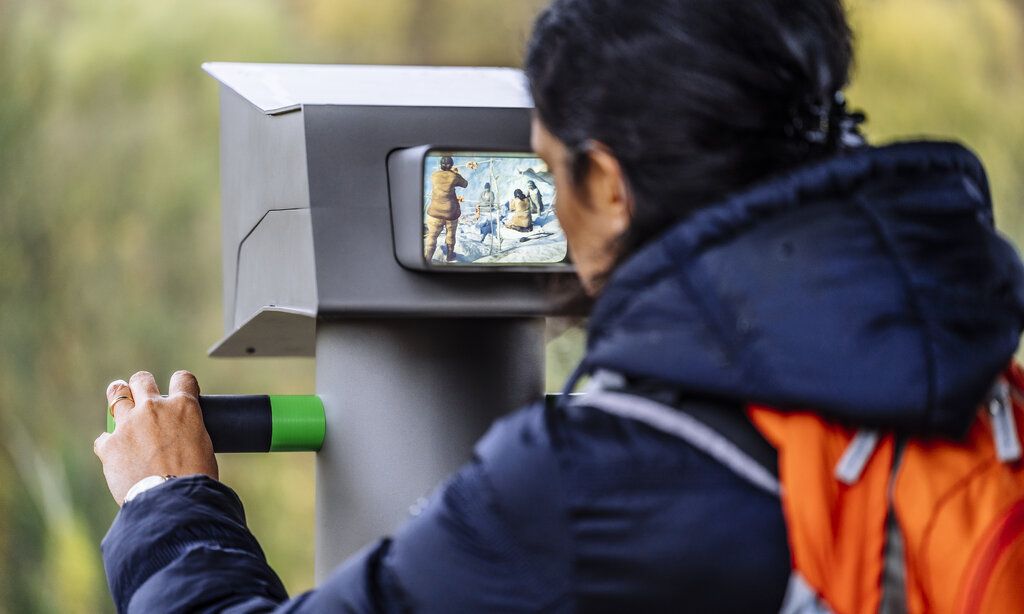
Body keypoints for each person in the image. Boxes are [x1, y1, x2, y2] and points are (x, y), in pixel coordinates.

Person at [95, 0, 1024, 612]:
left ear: (612, 186)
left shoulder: (603, 476)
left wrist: (164, 499)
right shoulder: (983, 379)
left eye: (546, 171)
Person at [423, 155, 468, 262]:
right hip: (450, 212)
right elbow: (465, 184)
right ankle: (449, 256)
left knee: (432, 236)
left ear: (440, 164)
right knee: (451, 234)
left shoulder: (434, 175)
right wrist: (456, 173)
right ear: (451, 165)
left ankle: (427, 259)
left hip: (434, 212)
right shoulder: (454, 176)